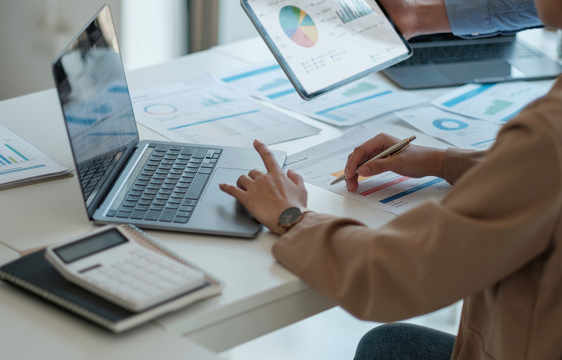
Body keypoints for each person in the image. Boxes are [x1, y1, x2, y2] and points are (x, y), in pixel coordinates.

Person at [219, 0, 562, 358]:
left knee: (384, 348)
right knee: (387, 346)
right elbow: (538, 175)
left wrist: (292, 217)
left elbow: (397, 275)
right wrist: (440, 161)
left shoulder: (548, 131)